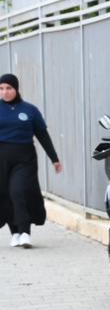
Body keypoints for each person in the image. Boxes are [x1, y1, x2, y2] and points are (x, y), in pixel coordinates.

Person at [0, 72, 63, 248]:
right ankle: (14, 233)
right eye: (2, 88)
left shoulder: (29, 110)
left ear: (16, 89)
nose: (5, 92)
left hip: (24, 158)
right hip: (2, 158)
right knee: (6, 194)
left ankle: (25, 231)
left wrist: (54, 159)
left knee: (18, 191)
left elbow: (42, 135)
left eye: (9, 88)